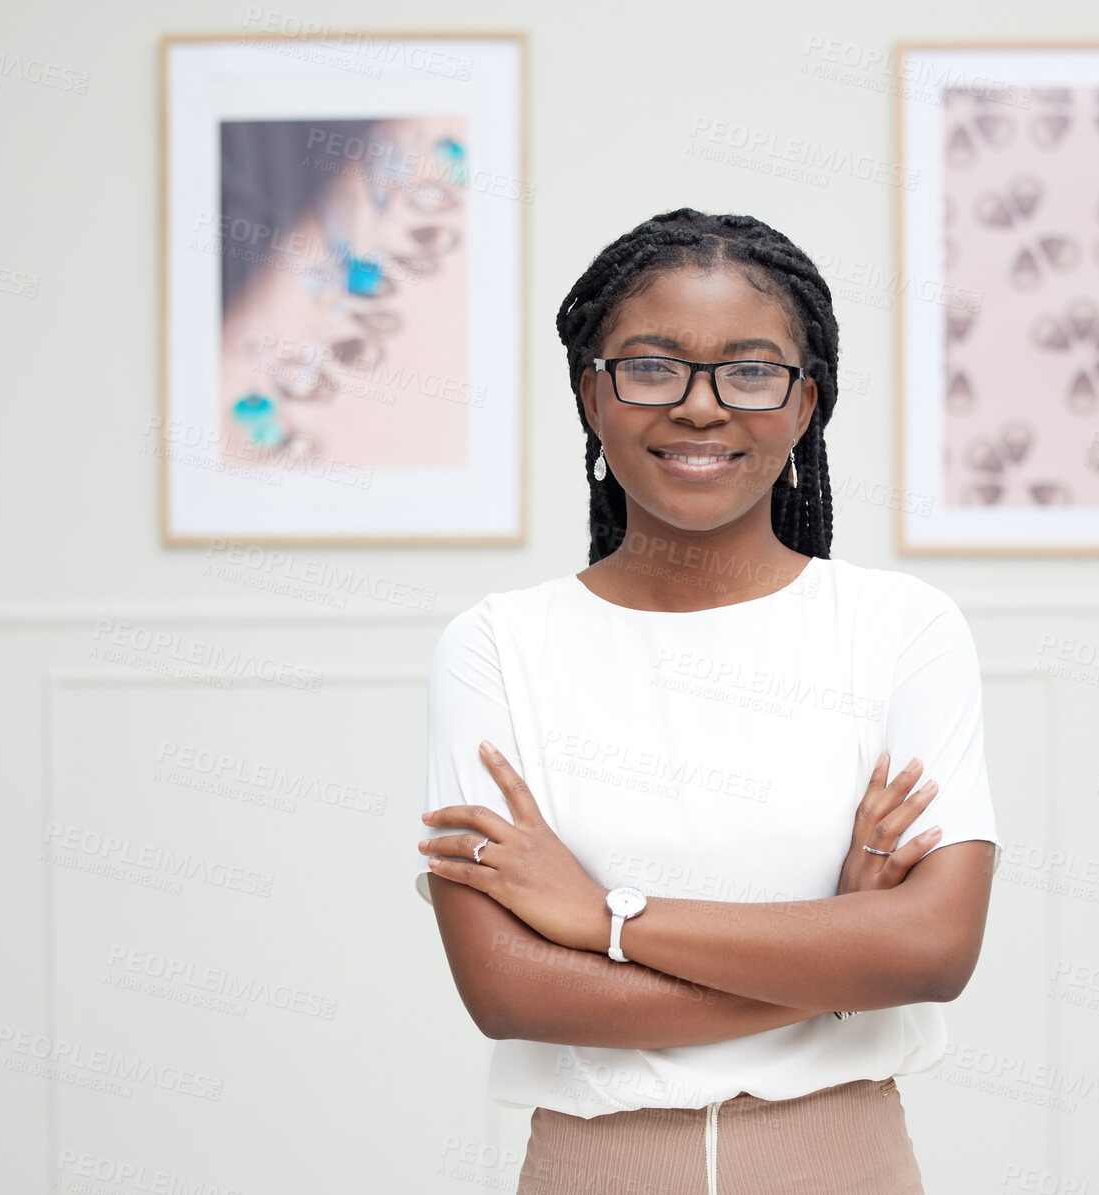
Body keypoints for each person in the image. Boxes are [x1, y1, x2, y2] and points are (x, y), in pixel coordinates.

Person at [416, 208, 998, 1194]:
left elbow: (931, 949)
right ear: (589, 395)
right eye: (650, 366)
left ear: (806, 400)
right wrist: (833, 958)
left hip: (842, 1164)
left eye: (749, 369)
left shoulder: (902, 625)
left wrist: (601, 915)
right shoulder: (496, 646)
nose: (699, 405)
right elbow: (506, 987)